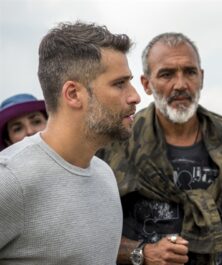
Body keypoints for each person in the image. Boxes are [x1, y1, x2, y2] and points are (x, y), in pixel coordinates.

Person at [99, 32, 222, 265]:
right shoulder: (117, 144)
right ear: (146, 84)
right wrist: (143, 253)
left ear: (201, 78)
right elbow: (90, 234)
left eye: (189, 72)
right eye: (166, 74)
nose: (180, 84)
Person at [0, 21, 140, 264]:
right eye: (120, 83)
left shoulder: (104, 175)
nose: (135, 96)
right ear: (73, 94)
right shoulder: (10, 180)